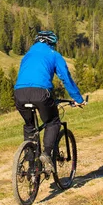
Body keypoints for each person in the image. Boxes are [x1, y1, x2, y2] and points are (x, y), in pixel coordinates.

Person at [14, 30, 85, 173]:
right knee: (53, 122)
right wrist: (78, 99)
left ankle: (30, 162)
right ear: (51, 43)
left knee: (30, 126)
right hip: (41, 93)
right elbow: (66, 78)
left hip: (19, 94)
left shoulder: (27, 56)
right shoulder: (54, 55)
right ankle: (46, 154)